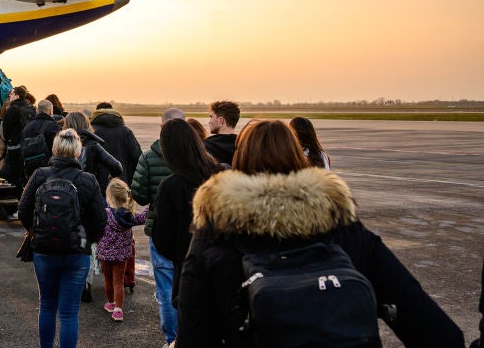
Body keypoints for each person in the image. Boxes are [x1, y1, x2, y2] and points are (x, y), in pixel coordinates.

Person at [175, 119, 465, 347]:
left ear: (239, 164)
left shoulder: (215, 236)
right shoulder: (345, 231)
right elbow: (441, 334)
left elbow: (193, 337)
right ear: (298, 159)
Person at [18, 129, 107, 348]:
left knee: (47, 305)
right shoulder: (88, 180)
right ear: (78, 153)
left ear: (54, 149)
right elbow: (100, 220)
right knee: (69, 312)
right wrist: (87, 239)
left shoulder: (40, 175)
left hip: (44, 251)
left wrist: (36, 232)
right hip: (76, 253)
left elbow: (23, 210)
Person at [150, 117, 222, 308]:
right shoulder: (220, 174)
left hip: (187, 269)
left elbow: (162, 240)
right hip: (222, 268)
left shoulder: (170, 186)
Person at [129, 107, 179, 347]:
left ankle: (171, 340)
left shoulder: (149, 157)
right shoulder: (198, 156)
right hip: (191, 231)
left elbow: (138, 194)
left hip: (160, 229)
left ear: (161, 128)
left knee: (166, 291)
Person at [96, 178, 148, 322]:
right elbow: (143, 217)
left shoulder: (104, 214)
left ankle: (111, 303)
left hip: (105, 254)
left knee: (107, 279)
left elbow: (96, 228)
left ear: (109, 197)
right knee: (118, 281)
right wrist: (153, 204)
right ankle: (118, 310)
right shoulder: (128, 215)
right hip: (122, 255)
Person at [62, 111, 123, 194]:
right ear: (87, 124)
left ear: (66, 125)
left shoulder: (60, 143)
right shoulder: (93, 145)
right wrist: (111, 177)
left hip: (64, 189)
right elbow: (117, 166)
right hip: (87, 189)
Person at [88, 102, 140, 190]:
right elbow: (136, 156)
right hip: (121, 183)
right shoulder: (125, 131)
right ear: (113, 112)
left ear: (96, 113)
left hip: (96, 183)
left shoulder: (91, 131)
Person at [0, 86, 34, 190]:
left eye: (12, 93)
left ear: (17, 96)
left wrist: (7, 140)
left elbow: (6, 128)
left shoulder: (12, 109)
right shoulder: (30, 108)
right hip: (27, 144)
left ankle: (14, 189)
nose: (10, 95)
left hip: (14, 143)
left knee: (12, 168)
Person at [21, 98, 61, 178]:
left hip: (30, 169)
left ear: (37, 111)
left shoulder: (27, 127)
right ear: (50, 111)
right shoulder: (53, 127)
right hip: (48, 169)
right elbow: (57, 149)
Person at [204, 99, 241, 165]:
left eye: (211, 117)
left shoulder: (206, 145)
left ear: (221, 120)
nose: (209, 122)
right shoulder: (244, 144)